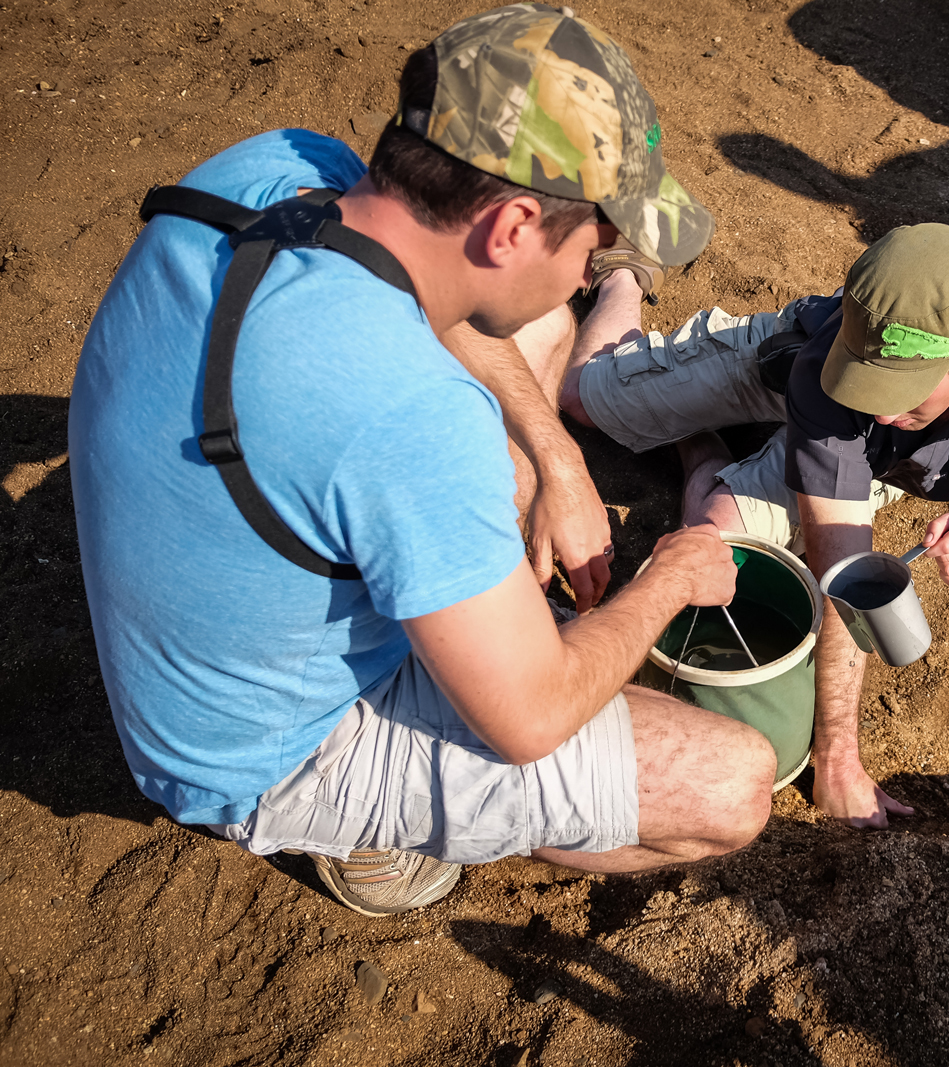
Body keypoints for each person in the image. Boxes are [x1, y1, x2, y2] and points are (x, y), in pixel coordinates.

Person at [69, 3, 777, 919]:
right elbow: (529, 719)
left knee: (540, 330)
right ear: (514, 224)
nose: (589, 265)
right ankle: (364, 833)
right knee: (733, 786)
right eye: (594, 242)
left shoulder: (285, 168)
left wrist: (556, 458)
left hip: (205, 608)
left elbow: (425, 321)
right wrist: (671, 578)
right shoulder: (408, 418)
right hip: (268, 744)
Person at [561, 223, 949, 828]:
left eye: (908, 392)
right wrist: (838, 760)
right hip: (789, 372)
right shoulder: (833, 373)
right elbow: (844, 577)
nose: (885, 410)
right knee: (582, 398)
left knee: (714, 531)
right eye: (871, 382)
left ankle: (702, 452)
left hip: (885, 465)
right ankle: (622, 276)